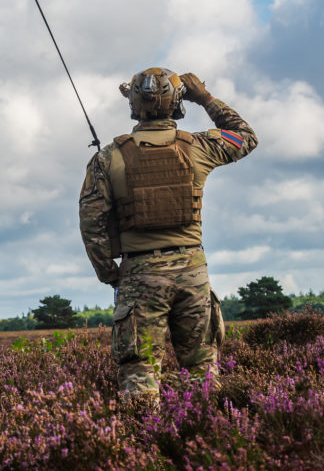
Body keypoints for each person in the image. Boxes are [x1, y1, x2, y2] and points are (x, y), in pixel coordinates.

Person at [78, 68, 257, 400]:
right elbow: (245, 135)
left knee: (139, 372)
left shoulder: (107, 158)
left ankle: (141, 446)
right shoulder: (200, 146)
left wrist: (110, 274)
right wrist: (204, 97)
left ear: (132, 103)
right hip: (193, 273)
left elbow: (91, 224)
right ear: (178, 105)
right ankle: (206, 438)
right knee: (203, 371)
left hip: (139, 275)